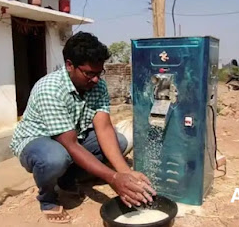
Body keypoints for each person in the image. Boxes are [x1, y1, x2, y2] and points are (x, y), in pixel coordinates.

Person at [10, 32, 156, 223]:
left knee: (118, 141)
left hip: (73, 138)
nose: (96, 79)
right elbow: (70, 145)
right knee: (55, 159)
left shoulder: (98, 86)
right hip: (37, 142)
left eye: (99, 73)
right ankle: (47, 198)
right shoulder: (51, 89)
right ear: (70, 65)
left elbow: (103, 129)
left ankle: (66, 178)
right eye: (89, 73)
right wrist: (113, 178)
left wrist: (125, 173)